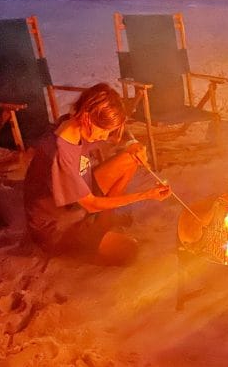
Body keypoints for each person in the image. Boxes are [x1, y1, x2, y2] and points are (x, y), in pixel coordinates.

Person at [23, 83, 171, 265]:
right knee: (129, 251)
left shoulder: (72, 121)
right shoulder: (60, 153)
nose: (104, 137)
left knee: (131, 158)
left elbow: (120, 132)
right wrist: (146, 195)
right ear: (86, 117)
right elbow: (91, 204)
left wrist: (132, 144)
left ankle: (103, 223)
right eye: (103, 131)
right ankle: (93, 232)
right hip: (59, 227)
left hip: (80, 196)